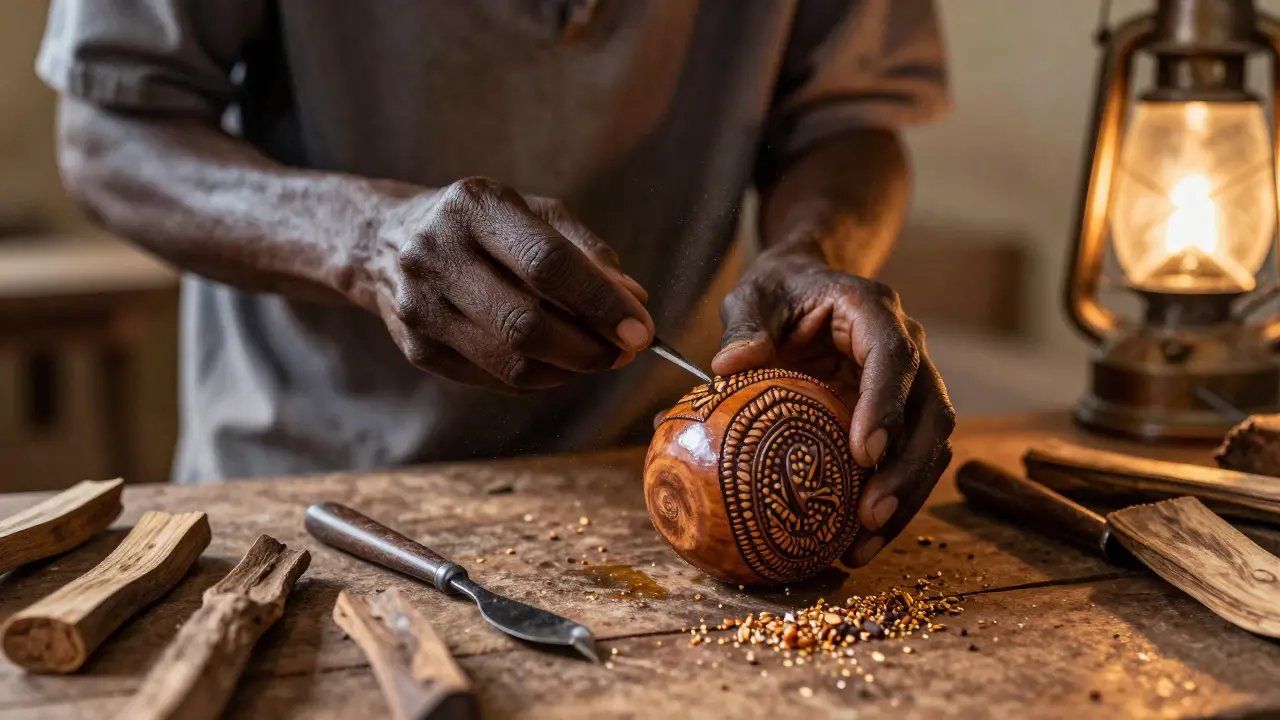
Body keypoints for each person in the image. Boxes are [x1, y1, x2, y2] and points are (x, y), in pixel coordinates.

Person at [37, 0, 955, 567]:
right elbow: (109, 138)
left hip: (640, 479)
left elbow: (850, 119)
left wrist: (811, 245)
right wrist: (363, 239)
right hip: (309, 495)